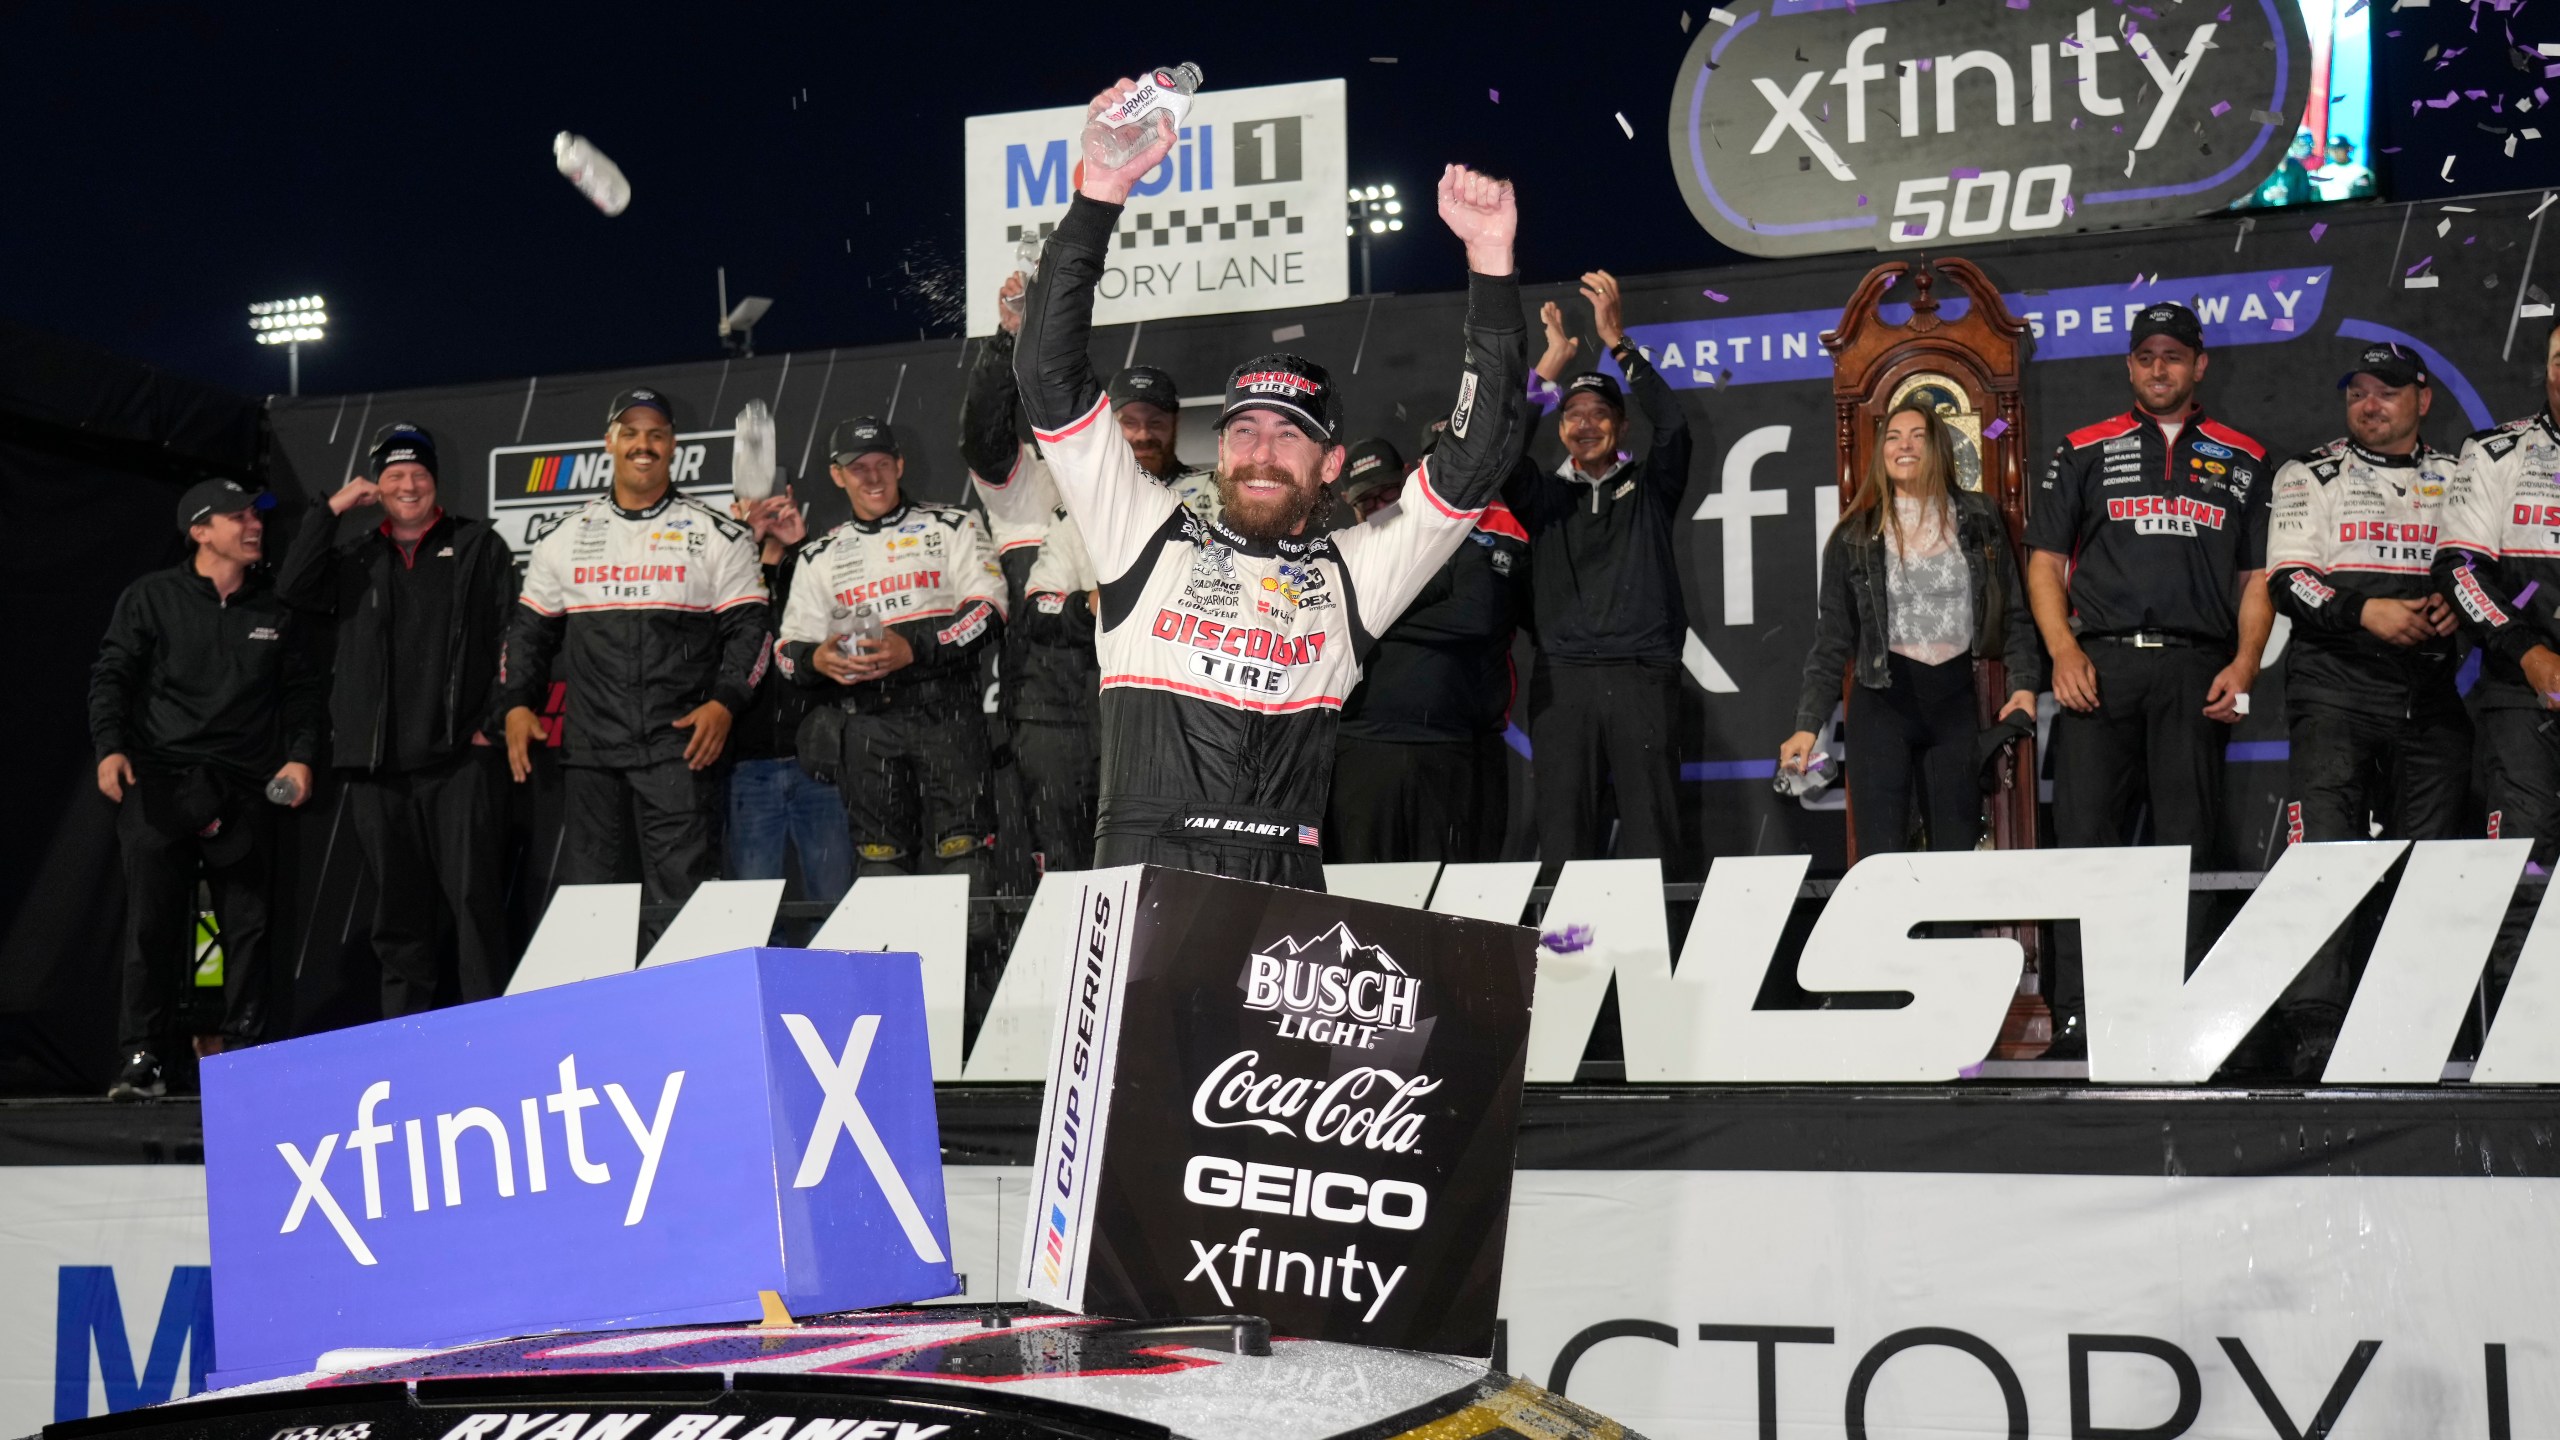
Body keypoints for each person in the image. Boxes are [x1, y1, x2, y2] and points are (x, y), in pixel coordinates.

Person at [1012, 77, 1528, 888]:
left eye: (1290, 436)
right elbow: (1048, 379)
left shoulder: (1355, 571)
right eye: (1244, 430)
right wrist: (1101, 192)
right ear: (1216, 454)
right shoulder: (1141, 532)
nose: (1261, 451)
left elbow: (1480, 455)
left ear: (1330, 464)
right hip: (1141, 880)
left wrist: (1490, 264)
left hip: (1284, 891)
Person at [2026, 302, 2275, 1058]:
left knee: (2188, 845)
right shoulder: (2083, 448)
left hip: (2198, 667)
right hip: (2099, 664)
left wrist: (2243, 664)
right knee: (2085, 842)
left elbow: (2258, 577)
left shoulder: (2248, 457)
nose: (2159, 368)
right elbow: (2042, 563)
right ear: (2129, 366)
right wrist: (2064, 653)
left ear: (2201, 364)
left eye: (2174, 355)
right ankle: (2077, 1013)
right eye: (2146, 356)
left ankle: (2186, 1012)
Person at [2263, 343, 2466, 1074]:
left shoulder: (2462, 474)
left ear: (2423, 398)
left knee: (2431, 861)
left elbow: (2499, 571)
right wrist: (2365, 613)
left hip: (2431, 693)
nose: (2368, 404)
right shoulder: (2309, 473)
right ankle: (2313, 1024)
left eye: (2385, 392)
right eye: (2356, 392)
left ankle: (2415, 1012)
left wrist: (2458, 609)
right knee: (2324, 857)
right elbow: (2289, 582)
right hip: (2335, 688)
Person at [90, 479, 322, 1099]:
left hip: (245, 786)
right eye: (238, 516)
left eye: (256, 516)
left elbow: (301, 695)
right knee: (151, 924)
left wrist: (300, 760)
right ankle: (145, 1059)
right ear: (200, 530)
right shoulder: (151, 597)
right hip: (161, 780)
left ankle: (246, 1058)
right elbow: (112, 674)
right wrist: (109, 746)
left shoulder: (275, 608)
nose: (254, 525)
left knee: (250, 925)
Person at [498, 389, 768, 920]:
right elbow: (527, 633)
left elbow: (753, 632)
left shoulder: (718, 533)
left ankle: (685, 1008)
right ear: (609, 442)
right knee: (595, 915)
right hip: (593, 758)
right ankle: (608, 1008)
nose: (643, 444)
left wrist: (725, 702)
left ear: (673, 446)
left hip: (681, 753)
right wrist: (516, 703)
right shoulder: (563, 536)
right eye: (630, 432)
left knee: (684, 910)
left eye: (656, 434)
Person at [275, 424, 516, 1016]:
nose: (408, 485)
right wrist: (329, 509)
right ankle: (409, 1047)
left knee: (475, 906)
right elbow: (292, 587)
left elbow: (515, 636)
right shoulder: (356, 557)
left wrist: (492, 719)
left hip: (459, 761)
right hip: (377, 768)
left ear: (436, 481)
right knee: (398, 917)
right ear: (376, 486)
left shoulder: (479, 545)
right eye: (394, 476)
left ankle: (495, 1040)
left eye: (419, 474)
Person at [1780, 402, 2042, 856]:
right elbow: (1831, 641)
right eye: (1894, 436)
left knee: (1955, 852)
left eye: (1918, 435)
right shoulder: (1854, 535)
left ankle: (1949, 932)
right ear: (1881, 451)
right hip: (1883, 705)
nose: (1904, 445)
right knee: (1881, 859)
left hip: (1954, 703)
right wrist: (1808, 725)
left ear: (1939, 446)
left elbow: (2012, 611)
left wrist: (2023, 684)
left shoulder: (1980, 519)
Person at [1505, 283, 1695, 877]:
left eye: (1600, 415)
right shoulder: (1541, 495)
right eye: (1573, 415)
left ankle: (1659, 968)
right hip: (1564, 681)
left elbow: (1675, 429)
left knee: (1654, 837)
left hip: (1643, 674)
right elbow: (1501, 450)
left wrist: (1617, 343)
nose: (1585, 425)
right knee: (1564, 840)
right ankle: (1567, 965)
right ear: (1560, 428)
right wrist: (1550, 365)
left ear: (1620, 427)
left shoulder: (1652, 489)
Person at [777, 417, 1007, 882]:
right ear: (837, 475)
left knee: (965, 869)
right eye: (858, 467)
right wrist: (816, 659)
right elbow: (786, 649)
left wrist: (916, 649)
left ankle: (971, 954)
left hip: (948, 717)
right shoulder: (817, 555)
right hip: (866, 725)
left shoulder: (952, 525)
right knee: (881, 869)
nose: (873, 476)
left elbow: (990, 611)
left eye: (882, 463)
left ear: (900, 465)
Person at [1327, 437, 1532, 862]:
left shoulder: (1456, 539)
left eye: (1388, 492)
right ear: (1351, 506)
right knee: (1361, 897)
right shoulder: (1341, 555)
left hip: (1447, 748)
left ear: (1408, 481)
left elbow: (1475, 617)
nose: (1382, 505)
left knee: (1446, 897)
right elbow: (1327, 629)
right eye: (1369, 500)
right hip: (1360, 750)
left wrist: (1374, 623)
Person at [2435, 322, 2560, 872]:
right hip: (2523, 692)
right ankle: (2515, 965)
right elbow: (2459, 569)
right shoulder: (2494, 453)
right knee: (2522, 869)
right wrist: (2529, 652)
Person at [722, 484, 852, 906]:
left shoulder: (820, 564)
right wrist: (745, 543)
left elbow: (845, 631)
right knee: (752, 916)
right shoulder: (722, 574)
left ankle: (836, 976)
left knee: (832, 906)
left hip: (818, 766)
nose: (770, 512)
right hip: (748, 769)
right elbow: (708, 648)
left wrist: (799, 549)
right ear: (735, 509)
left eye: (777, 501)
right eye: (757, 504)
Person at [2313, 136, 2375, 202]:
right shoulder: (2323, 171)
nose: (2335, 152)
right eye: (2332, 149)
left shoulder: (2361, 172)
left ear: (2348, 149)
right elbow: (2316, 195)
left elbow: (2363, 198)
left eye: (2339, 148)